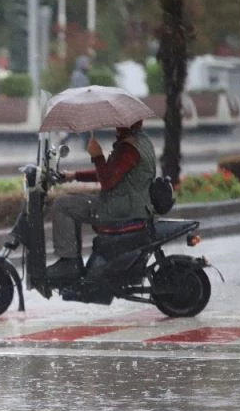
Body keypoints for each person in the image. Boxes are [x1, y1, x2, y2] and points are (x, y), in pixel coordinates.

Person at [47, 120, 157, 279]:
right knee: (72, 201)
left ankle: (69, 263)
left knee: (63, 205)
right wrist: (74, 176)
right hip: (133, 206)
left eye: (119, 123)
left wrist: (97, 156)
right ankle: (72, 262)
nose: (116, 126)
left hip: (119, 210)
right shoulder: (142, 141)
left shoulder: (129, 148)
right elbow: (113, 172)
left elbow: (107, 180)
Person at [59, 55, 92, 147]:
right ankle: (86, 144)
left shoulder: (80, 75)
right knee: (82, 125)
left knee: (79, 126)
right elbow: (80, 90)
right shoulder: (79, 75)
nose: (88, 66)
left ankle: (85, 143)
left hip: (79, 103)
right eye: (86, 64)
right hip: (79, 104)